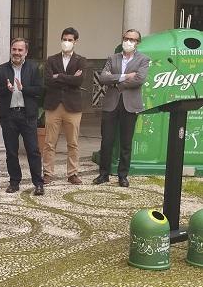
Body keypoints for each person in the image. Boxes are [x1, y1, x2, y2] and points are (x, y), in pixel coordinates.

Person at [93, 29, 149, 187]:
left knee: (126, 143)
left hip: (130, 105)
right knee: (107, 141)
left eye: (133, 39)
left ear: (138, 43)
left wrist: (117, 84)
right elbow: (103, 78)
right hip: (111, 104)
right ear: (122, 39)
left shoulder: (143, 59)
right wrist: (124, 77)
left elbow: (139, 79)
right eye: (126, 38)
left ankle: (123, 176)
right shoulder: (113, 58)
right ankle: (103, 174)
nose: (129, 41)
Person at [0, 38, 44, 195]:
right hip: (8, 116)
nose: (16, 53)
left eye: (20, 50)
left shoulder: (34, 68)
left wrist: (23, 88)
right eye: (14, 49)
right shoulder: (2, 69)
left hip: (27, 115)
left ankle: (38, 183)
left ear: (26, 52)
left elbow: (40, 90)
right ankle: (14, 182)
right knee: (11, 151)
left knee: (33, 150)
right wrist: (6, 89)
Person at [42, 27, 88, 185]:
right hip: (53, 105)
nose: (66, 42)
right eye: (64, 39)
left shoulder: (81, 60)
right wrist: (69, 78)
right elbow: (47, 80)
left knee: (73, 142)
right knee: (49, 142)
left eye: (70, 40)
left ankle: (73, 173)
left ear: (75, 41)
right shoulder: (51, 59)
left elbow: (79, 81)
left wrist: (59, 76)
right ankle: (47, 172)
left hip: (73, 106)